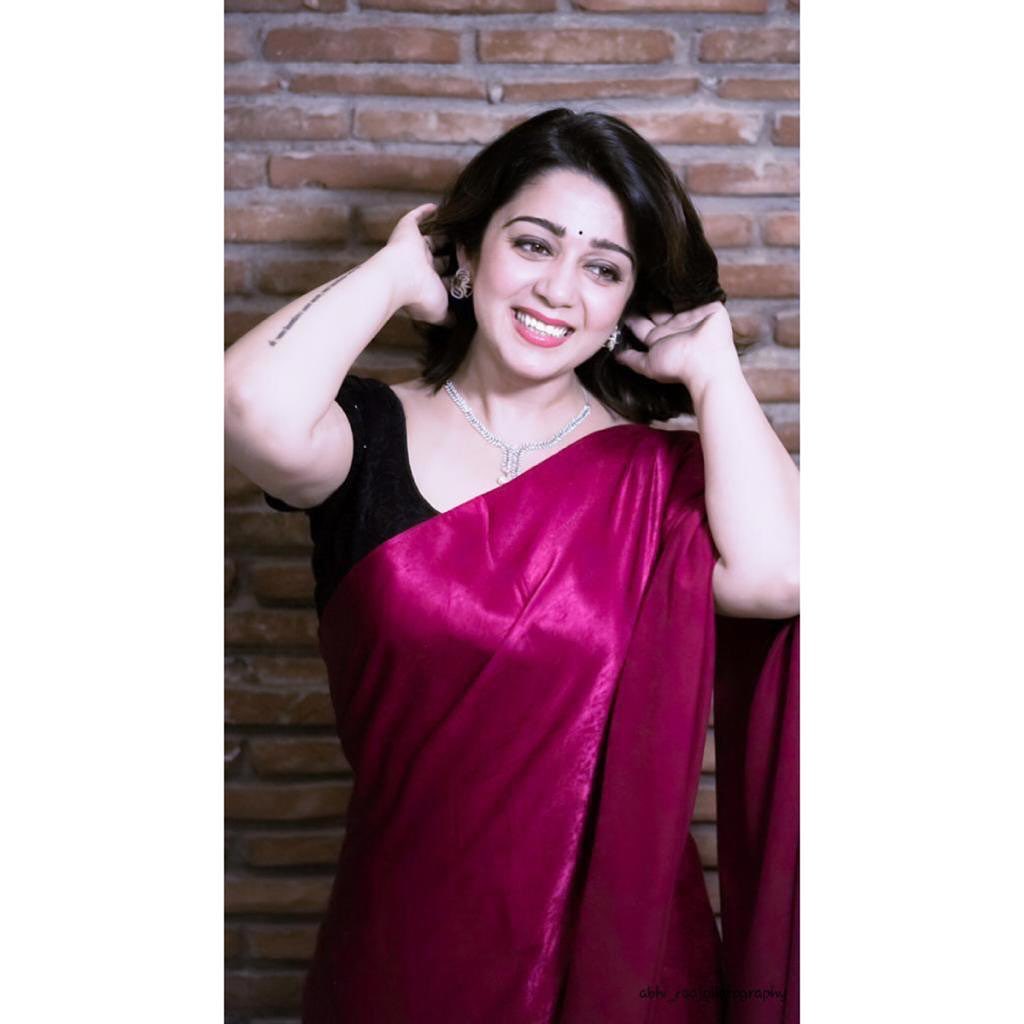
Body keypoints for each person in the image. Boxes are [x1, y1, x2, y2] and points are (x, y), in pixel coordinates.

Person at [225, 108, 799, 1023]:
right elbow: (246, 407)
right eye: (533, 244)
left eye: (604, 268)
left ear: (630, 303)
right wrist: (394, 272)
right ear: (469, 250)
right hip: (406, 949)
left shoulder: (662, 483)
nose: (559, 290)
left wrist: (713, 372)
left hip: (623, 964)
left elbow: (785, 576)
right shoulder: (364, 436)